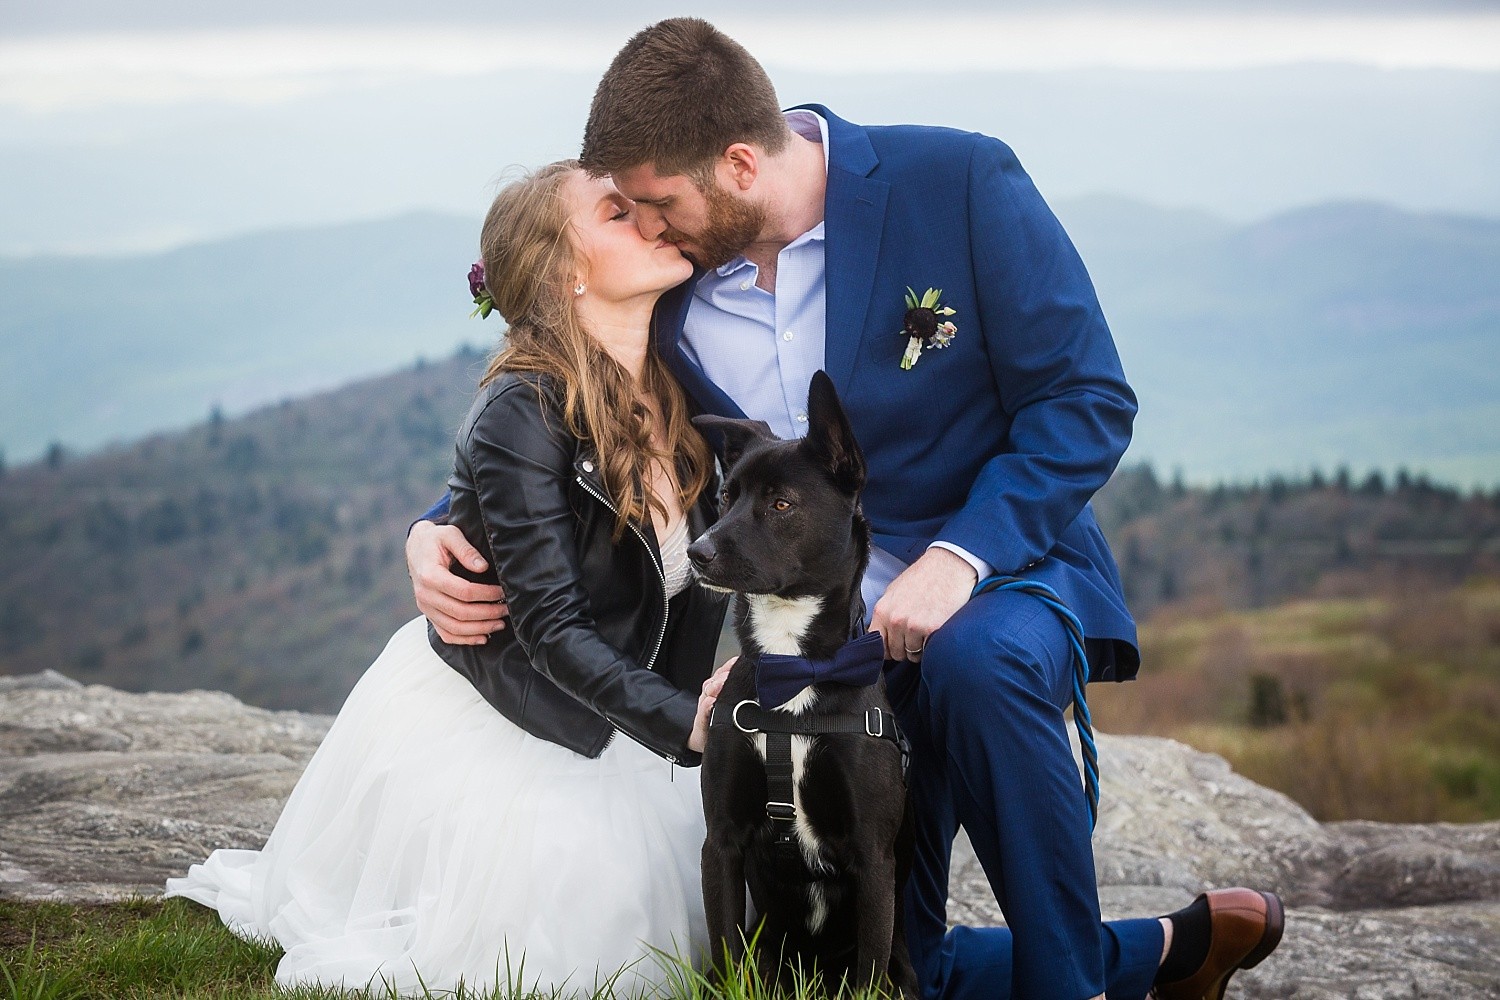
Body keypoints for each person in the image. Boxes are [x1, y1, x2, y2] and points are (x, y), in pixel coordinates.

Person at [407, 19, 1284, 1000]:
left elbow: (1086, 399)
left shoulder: (958, 184)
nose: (652, 231)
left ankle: (1067, 984)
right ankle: (1175, 949)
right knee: (877, 968)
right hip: (818, 652)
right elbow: (570, 384)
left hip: (997, 581)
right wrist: (441, 519)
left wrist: (958, 556)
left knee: (977, 658)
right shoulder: (681, 282)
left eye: (659, 204)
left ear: (739, 163)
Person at [166, 160, 736, 996]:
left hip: (632, 707)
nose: (652, 220)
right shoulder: (523, 412)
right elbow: (549, 631)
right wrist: (688, 722)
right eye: (618, 214)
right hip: (530, 712)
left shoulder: (686, 380)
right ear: (566, 273)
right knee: (585, 951)